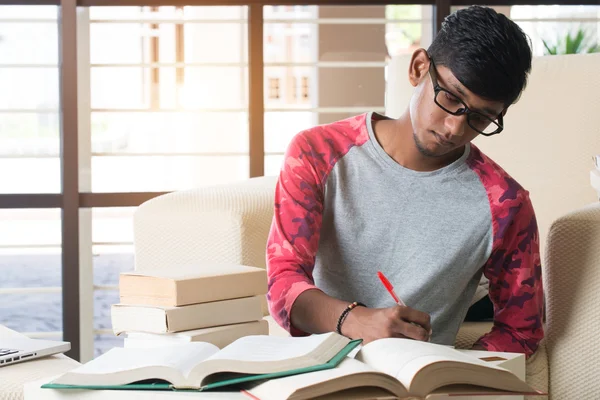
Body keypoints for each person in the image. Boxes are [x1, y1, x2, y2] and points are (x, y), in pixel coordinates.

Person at [266, 5, 543, 356]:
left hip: (417, 385)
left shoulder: (505, 204)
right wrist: (356, 320)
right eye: (451, 98)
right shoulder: (316, 152)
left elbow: (522, 331)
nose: (454, 128)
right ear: (418, 68)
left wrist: (454, 373)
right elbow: (282, 283)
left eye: (481, 118)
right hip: (317, 372)